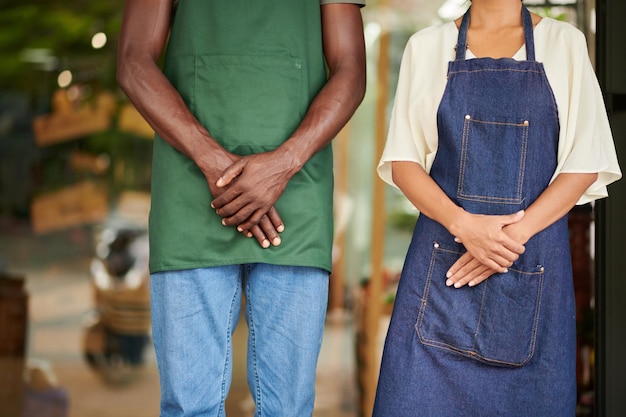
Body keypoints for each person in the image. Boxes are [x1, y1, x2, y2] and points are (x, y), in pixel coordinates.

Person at [116, 0, 366, 415]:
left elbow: (351, 71)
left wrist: (286, 162)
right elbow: (132, 61)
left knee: (288, 407)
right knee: (188, 406)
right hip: (190, 191)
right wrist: (213, 160)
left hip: (295, 194)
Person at [373, 0, 621, 416]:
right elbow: (403, 163)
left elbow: (585, 163)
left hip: (530, 262)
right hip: (444, 269)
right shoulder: (427, 45)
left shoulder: (565, 44)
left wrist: (507, 240)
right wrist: (465, 226)